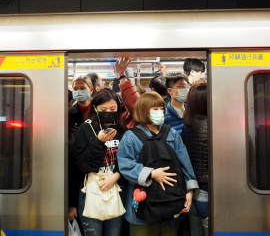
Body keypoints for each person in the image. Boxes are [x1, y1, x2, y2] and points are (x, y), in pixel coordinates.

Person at [117, 92, 198, 236]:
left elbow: (185, 163)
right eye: (155, 109)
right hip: (142, 205)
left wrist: (190, 190)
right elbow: (125, 165)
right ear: (143, 110)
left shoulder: (171, 134)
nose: (159, 112)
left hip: (172, 201)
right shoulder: (131, 137)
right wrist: (152, 174)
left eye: (161, 108)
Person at [71, 88, 126, 236]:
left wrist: (116, 176)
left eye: (112, 108)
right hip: (90, 190)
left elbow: (129, 160)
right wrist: (99, 142)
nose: (108, 111)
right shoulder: (86, 129)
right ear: (95, 108)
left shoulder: (122, 130)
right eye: (103, 109)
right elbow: (81, 165)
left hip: (116, 190)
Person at [181, 83, 208, 235]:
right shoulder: (215, 125)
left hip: (192, 188)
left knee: (195, 230)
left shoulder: (187, 125)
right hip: (209, 187)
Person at [68, 75, 94, 224]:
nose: (78, 92)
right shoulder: (68, 114)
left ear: (90, 90)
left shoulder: (99, 112)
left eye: (82, 88)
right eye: (75, 89)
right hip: (76, 167)